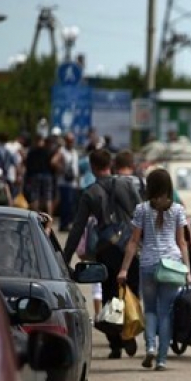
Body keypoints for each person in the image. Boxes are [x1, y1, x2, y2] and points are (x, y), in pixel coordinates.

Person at [63, 149, 142, 359]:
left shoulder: (90, 193)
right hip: (131, 248)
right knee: (131, 292)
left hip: (106, 249)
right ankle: (128, 329)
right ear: (112, 164)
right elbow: (141, 212)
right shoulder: (127, 184)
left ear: (92, 166)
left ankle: (115, 343)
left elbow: (78, 227)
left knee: (109, 295)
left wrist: (65, 256)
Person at [117, 169, 191, 371]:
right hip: (172, 265)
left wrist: (124, 269)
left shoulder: (141, 209)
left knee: (149, 310)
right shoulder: (177, 210)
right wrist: (188, 271)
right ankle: (161, 359)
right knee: (165, 312)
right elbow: (182, 242)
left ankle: (150, 346)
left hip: (148, 264)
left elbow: (133, 241)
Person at [24, 135, 55, 214]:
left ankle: (35, 216)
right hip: (47, 175)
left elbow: (27, 165)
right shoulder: (47, 151)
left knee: (35, 196)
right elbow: (52, 163)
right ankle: (49, 216)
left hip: (35, 175)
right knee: (48, 197)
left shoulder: (31, 152)